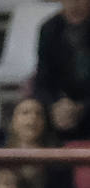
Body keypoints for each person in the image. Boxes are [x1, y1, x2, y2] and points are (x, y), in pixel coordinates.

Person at [34, 0, 90, 141]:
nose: (74, 4)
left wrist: (82, 107)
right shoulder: (49, 29)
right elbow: (42, 80)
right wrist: (56, 104)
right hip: (60, 108)